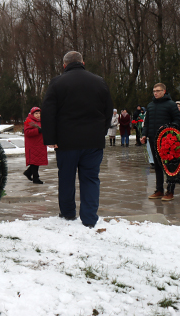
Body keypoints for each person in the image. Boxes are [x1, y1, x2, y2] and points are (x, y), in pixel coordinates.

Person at [41, 51, 113, 228]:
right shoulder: (99, 81)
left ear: (64, 65)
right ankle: (89, 218)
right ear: (83, 62)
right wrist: (101, 132)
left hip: (66, 142)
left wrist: (51, 138)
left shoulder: (57, 83)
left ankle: (67, 213)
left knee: (66, 177)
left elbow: (48, 112)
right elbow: (108, 111)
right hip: (93, 141)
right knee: (90, 178)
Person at [141, 83, 180, 201]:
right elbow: (147, 123)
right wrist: (144, 134)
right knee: (158, 166)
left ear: (164, 91)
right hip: (153, 139)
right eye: (154, 90)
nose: (155, 93)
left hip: (167, 141)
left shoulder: (171, 105)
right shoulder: (150, 105)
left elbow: (177, 120)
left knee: (169, 167)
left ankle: (170, 191)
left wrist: (167, 127)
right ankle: (159, 190)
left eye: (158, 90)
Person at [23, 107, 47, 184]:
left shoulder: (40, 121)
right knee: (34, 163)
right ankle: (35, 178)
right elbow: (27, 132)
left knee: (37, 162)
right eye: (36, 113)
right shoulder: (29, 121)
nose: (38, 115)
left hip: (39, 145)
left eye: (39, 113)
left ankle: (28, 173)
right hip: (32, 145)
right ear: (32, 114)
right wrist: (38, 130)